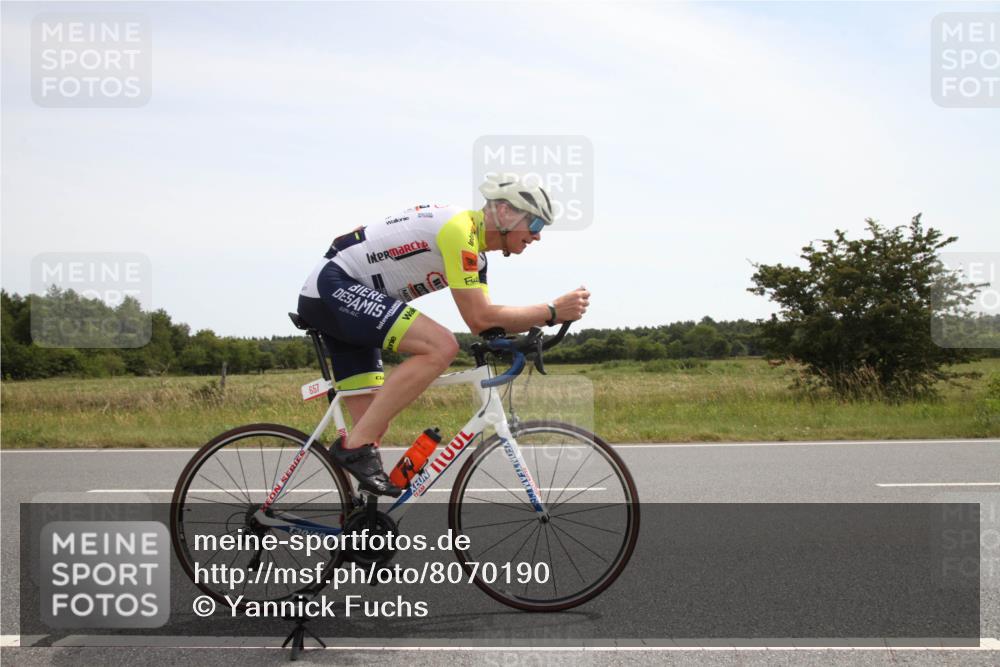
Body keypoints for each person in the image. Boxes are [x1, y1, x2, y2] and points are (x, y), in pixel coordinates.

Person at [297, 173, 590, 496]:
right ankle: (352, 449)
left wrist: (521, 338)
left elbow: (486, 323)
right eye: (535, 225)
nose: (537, 237)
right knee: (440, 346)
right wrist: (551, 311)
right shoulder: (459, 231)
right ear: (505, 212)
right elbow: (479, 317)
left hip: (351, 300)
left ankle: (359, 531)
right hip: (334, 288)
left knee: (374, 427)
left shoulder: (474, 255)